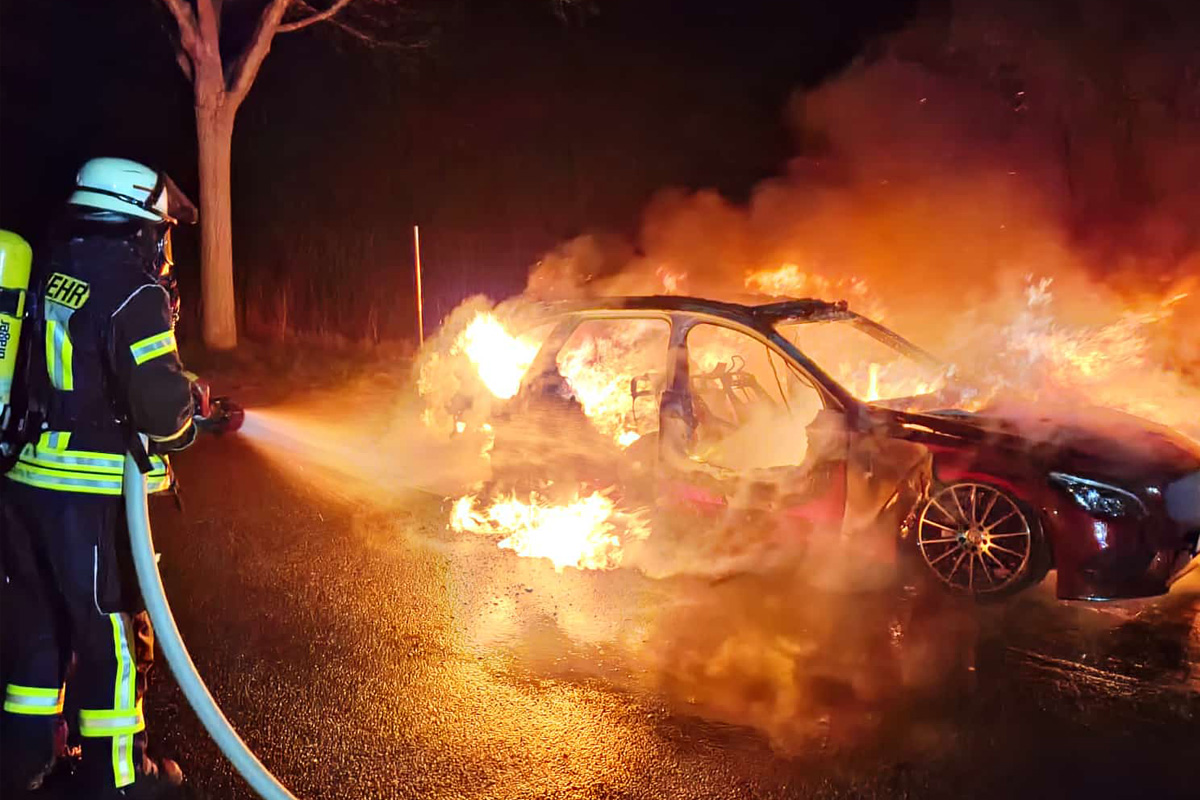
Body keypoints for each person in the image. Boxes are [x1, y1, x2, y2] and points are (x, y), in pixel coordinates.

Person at [0, 157, 199, 797]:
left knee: (37, 625)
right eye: (161, 231)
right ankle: (118, 779)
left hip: (23, 482)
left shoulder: (48, 268)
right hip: (89, 493)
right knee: (110, 631)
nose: (162, 246)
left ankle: (25, 760)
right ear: (137, 224)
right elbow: (159, 408)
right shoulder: (135, 290)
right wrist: (186, 420)